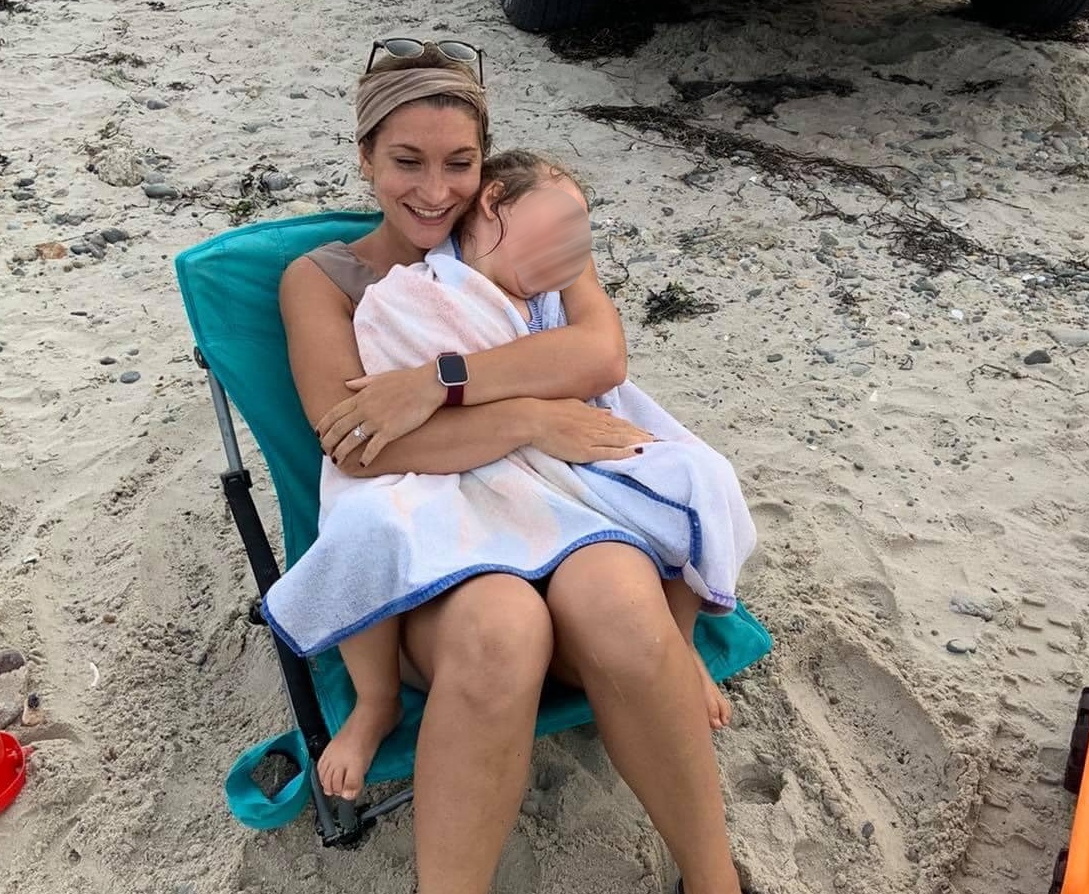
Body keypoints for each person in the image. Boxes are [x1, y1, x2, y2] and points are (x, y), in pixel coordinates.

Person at [278, 38, 744, 894]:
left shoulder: (531, 233)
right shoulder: (326, 280)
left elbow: (600, 354)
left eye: (459, 163)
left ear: (486, 169)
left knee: (622, 608)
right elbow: (357, 444)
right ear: (364, 157)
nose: (435, 190)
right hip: (433, 536)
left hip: (562, 501)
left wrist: (438, 382)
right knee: (504, 630)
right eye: (406, 161)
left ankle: (716, 884)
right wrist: (529, 416)